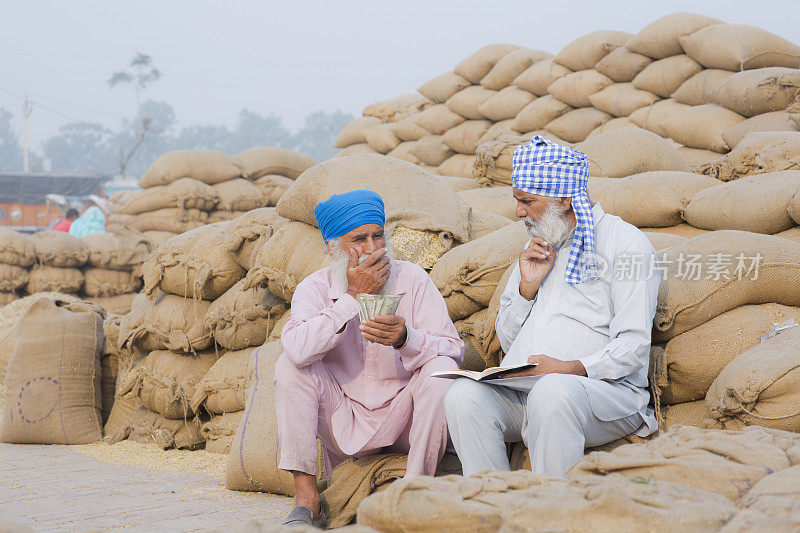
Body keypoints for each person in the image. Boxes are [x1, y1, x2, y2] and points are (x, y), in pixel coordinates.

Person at [444, 136, 659, 478]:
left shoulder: (625, 243)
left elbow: (634, 347)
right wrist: (526, 289)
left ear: (564, 198)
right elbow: (510, 341)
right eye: (517, 200)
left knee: (553, 392)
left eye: (527, 201)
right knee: (463, 396)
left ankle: (552, 511)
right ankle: (491, 504)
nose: (518, 211)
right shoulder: (539, 244)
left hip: (604, 394)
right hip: (527, 391)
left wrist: (570, 368)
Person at [276, 189, 464, 527]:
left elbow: (453, 349)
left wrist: (407, 339)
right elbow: (297, 348)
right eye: (358, 239)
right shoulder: (314, 288)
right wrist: (352, 297)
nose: (372, 248)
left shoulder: (413, 279)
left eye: (378, 235)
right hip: (344, 418)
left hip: (404, 417)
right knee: (290, 366)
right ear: (333, 247)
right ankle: (307, 499)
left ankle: (414, 490)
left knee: (441, 370)